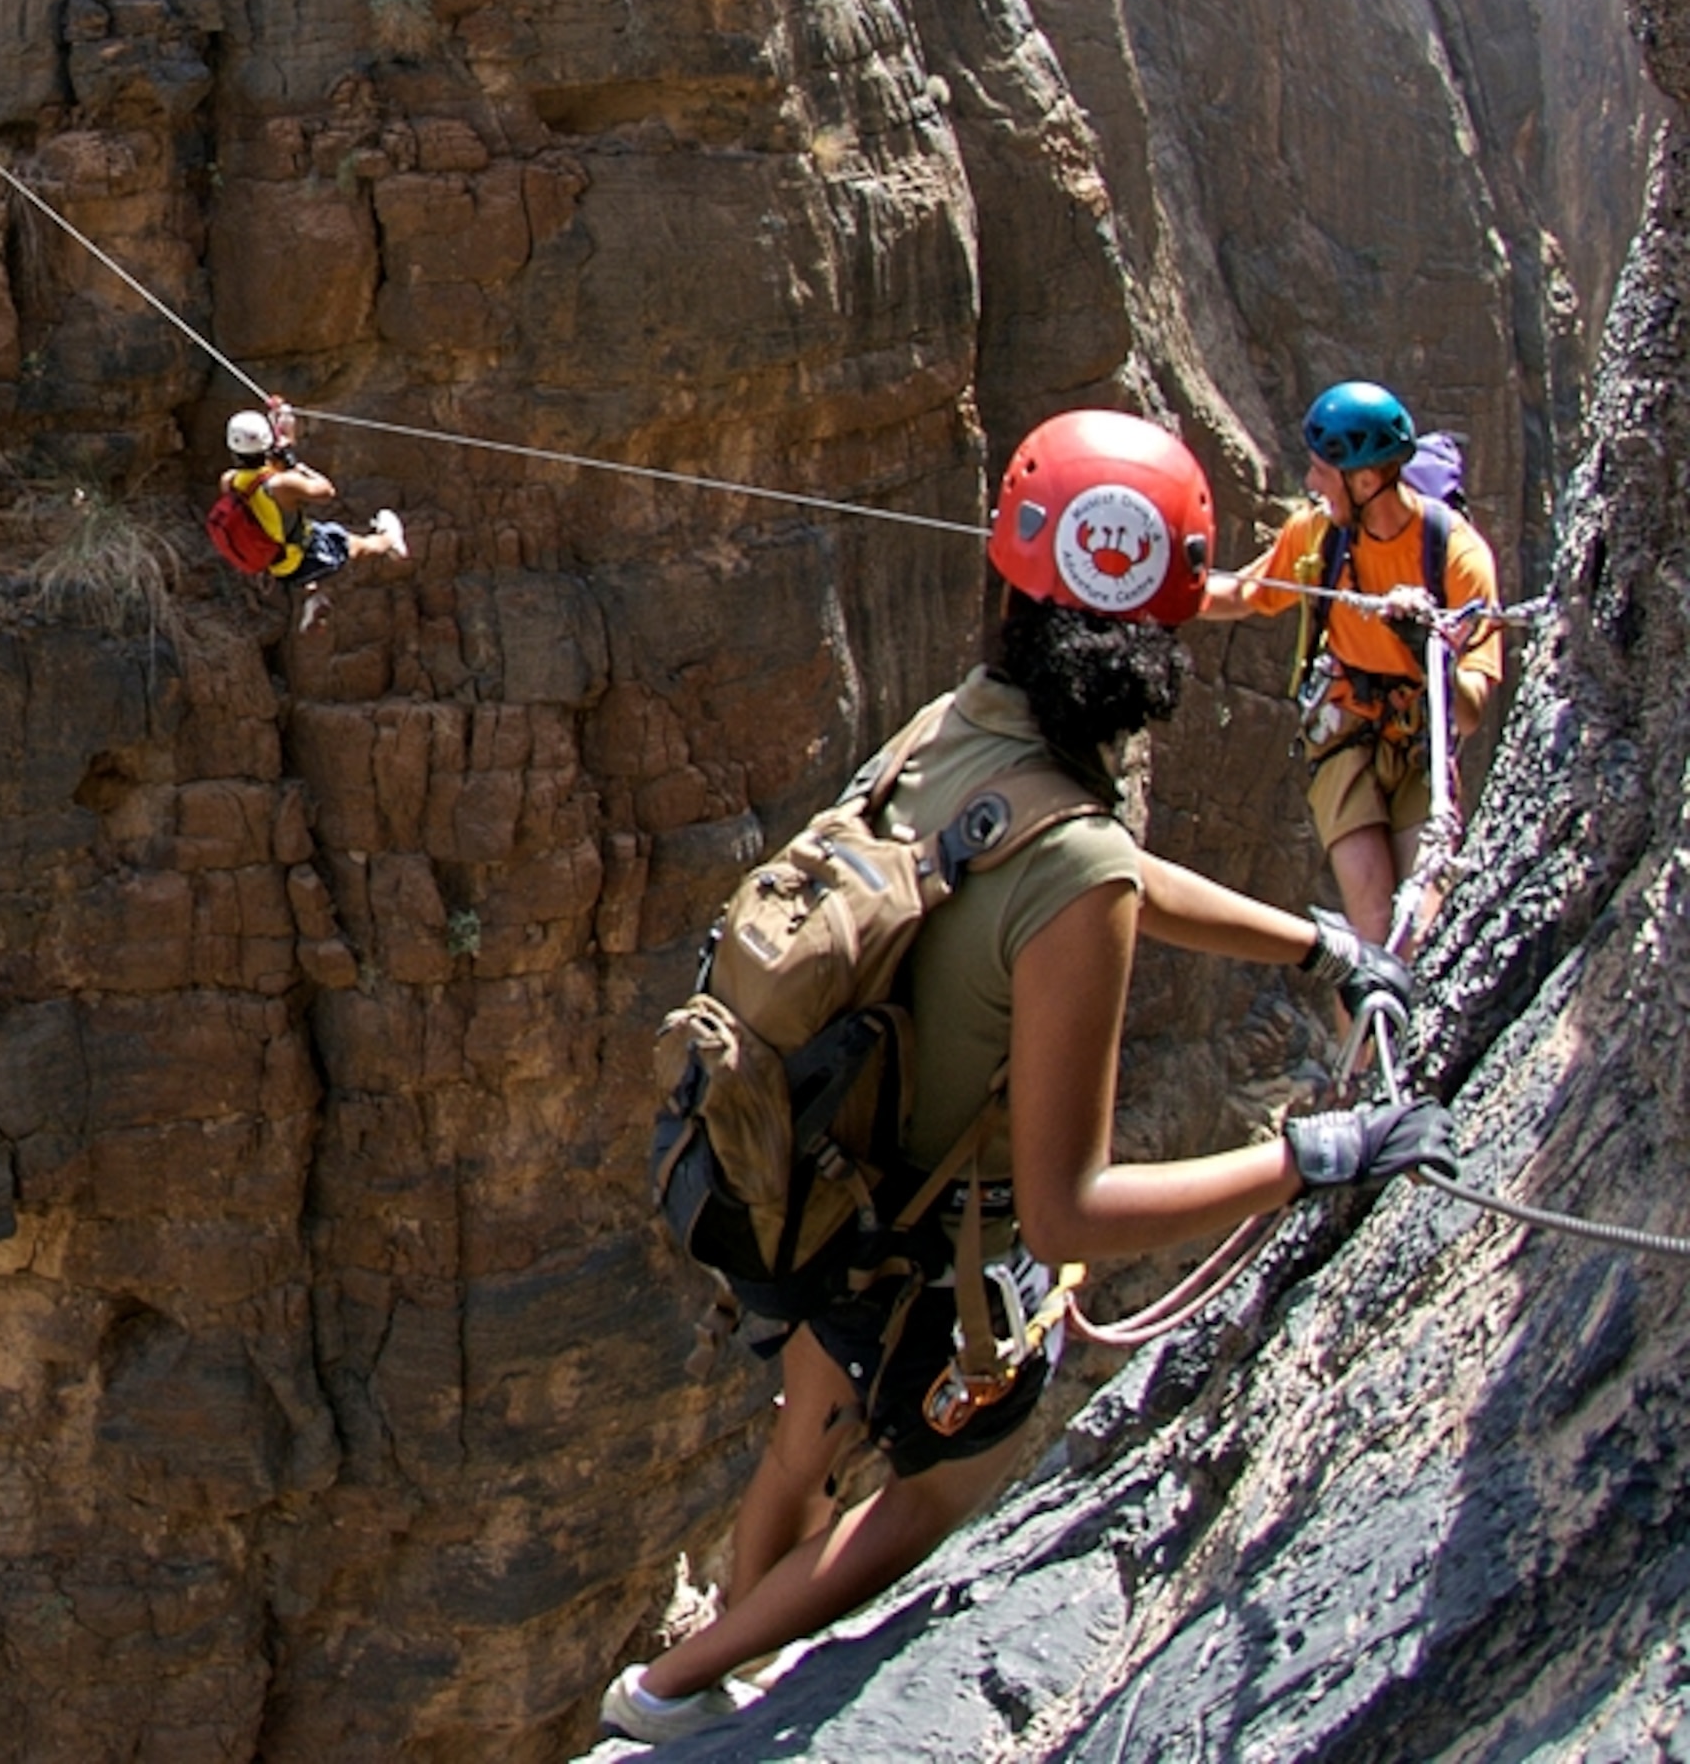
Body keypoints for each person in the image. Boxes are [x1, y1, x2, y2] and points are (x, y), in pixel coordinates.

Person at [600, 410, 1451, 1748]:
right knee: (948, 1482)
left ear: (1009, 582)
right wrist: (1318, 1153)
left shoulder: (958, 731)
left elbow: (1095, 867)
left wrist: (1310, 943)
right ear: (1166, 633)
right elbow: (1070, 1215)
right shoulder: (1078, 865)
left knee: (805, 1431)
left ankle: (706, 1667)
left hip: (808, 1169)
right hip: (916, 1236)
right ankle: (672, 1686)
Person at [1195, 381, 1502, 947]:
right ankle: (1362, 1030)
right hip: (1346, 735)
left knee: (1423, 933)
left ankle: (1392, 1030)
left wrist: (1422, 644)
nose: (1310, 484)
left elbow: (1470, 713)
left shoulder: (1458, 558)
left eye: (1320, 472)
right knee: (1376, 928)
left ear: (1365, 480)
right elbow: (1241, 593)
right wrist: (1154, 587)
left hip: (1419, 744)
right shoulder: (1319, 535)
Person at [219, 405, 407, 610]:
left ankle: (314, 597)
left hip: (274, 564)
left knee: (305, 545)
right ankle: (390, 540)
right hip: (303, 556)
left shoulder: (229, 481)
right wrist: (296, 466)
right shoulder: (283, 484)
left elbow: (259, 481)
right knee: (359, 546)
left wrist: (282, 444)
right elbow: (327, 492)